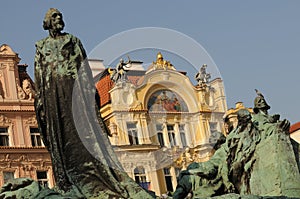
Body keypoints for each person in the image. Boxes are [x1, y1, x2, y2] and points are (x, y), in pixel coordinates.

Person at [34, 8, 153, 198]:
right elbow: (39, 74)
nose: (59, 19)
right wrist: (40, 96)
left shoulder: (72, 41)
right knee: (61, 134)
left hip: (74, 90)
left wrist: (89, 89)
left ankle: (96, 176)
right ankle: (67, 179)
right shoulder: (41, 46)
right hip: (53, 94)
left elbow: (83, 66)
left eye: (60, 16)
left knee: (85, 131)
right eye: (54, 17)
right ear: (47, 22)